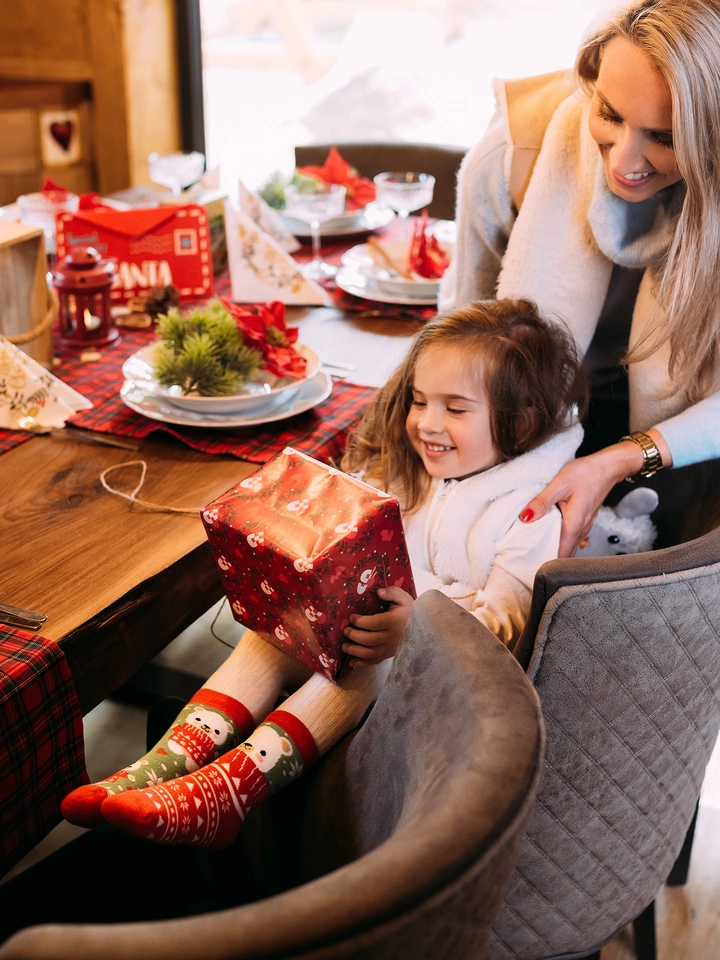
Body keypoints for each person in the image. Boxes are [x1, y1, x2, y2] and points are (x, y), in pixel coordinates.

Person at [61, 299, 585, 850]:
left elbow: (511, 624)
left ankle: (231, 792)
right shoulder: (407, 468)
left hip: (438, 678)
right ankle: (165, 764)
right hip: (365, 635)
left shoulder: (532, 513)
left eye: (456, 409)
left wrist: (419, 632)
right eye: (419, 400)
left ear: (521, 423)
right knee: (267, 637)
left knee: (359, 668)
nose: (427, 423)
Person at [440, 0, 720, 558]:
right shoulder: (509, 152)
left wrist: (620, 457)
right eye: (610, 115)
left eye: (664, 138)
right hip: (527, 406)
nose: (624, 160)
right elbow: (463, 336)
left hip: (685, 428)